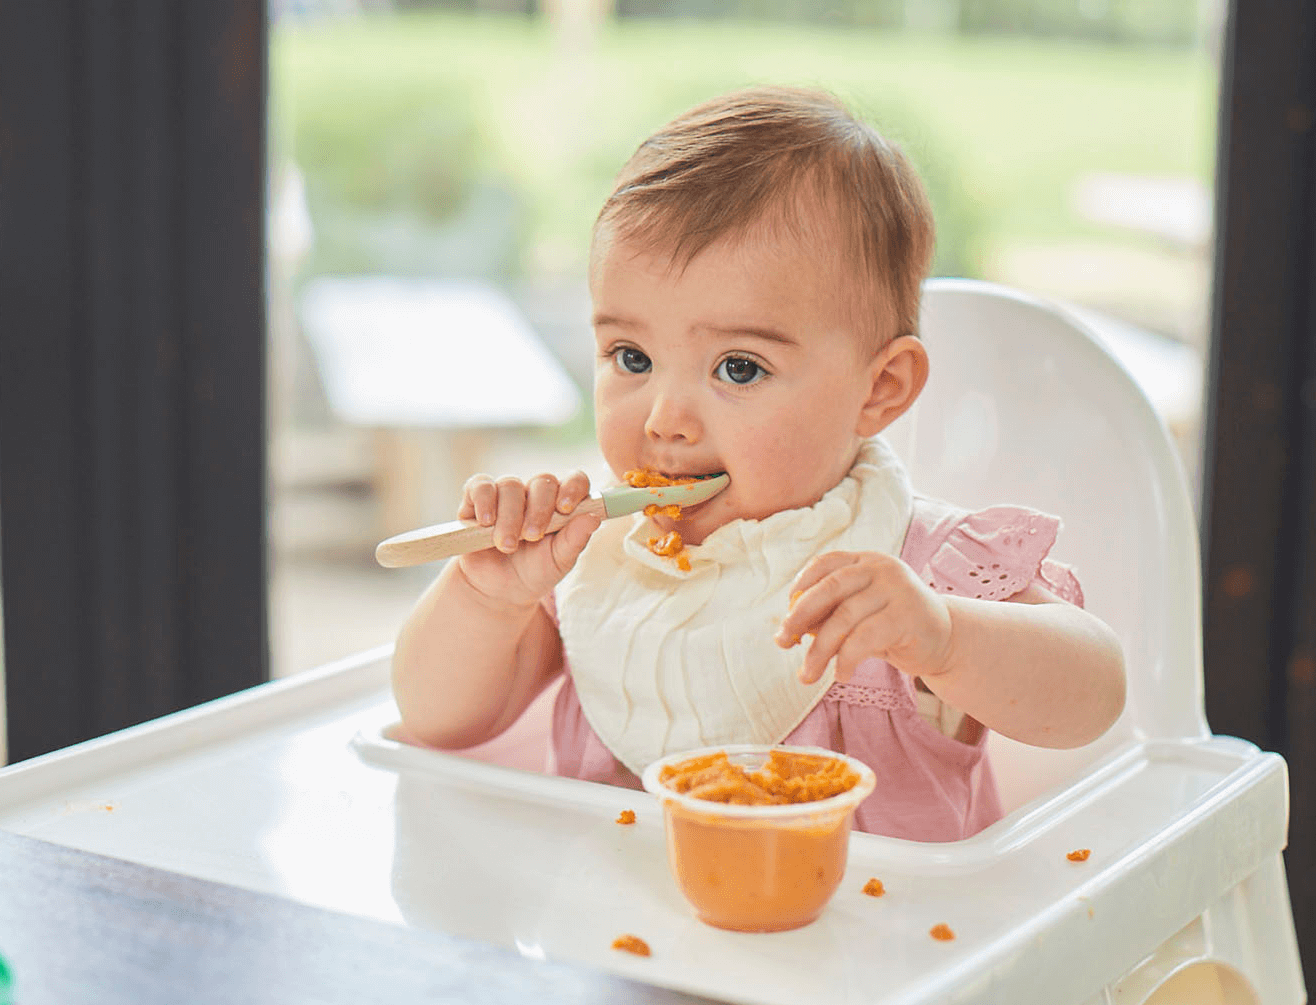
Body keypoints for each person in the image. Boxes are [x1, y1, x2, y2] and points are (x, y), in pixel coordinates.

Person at [391, 86, 1124, 842]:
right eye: (632, 357)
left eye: (738, 368)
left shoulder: (914, 571)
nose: (663, 419)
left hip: (881, 946)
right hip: (616, 942)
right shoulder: (595, 564)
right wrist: (490, 598)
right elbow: (437, 720)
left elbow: (1095, 693)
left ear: (879, 391)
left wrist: (942, 638)